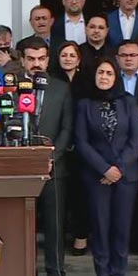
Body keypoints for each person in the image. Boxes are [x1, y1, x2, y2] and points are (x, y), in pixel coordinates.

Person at [74, 58, 138, 276]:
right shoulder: (84, 104)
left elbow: (137, 140)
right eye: (100, 72)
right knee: (101, 230)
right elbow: (81, 142)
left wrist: (118, 168)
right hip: (96, 177)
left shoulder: (128, 102)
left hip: (125, 178)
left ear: (116, 77)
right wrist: (104, 168)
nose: (104, 77)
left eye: (109, 73)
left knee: (121, 230)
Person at [19, 36, 73, 276]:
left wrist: (52, 156)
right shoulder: (13, 87)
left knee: (54, 226)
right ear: (22, 60)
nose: (36, 64)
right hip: (19, 169)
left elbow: (67, 128)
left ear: (48, 60)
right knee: (22, 226)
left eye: (41, 58)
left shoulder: (61, 88)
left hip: (54, 169)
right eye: (31, 59)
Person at [51, 42, 90, 256]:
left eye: (71, 55)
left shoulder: (86, 82)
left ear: (79, 59)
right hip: (58, 142)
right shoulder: (52, 81)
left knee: (80, 194)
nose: (67, 58)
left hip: (82, 145)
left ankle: (80, 236)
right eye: (63, 54)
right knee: (60, 196)